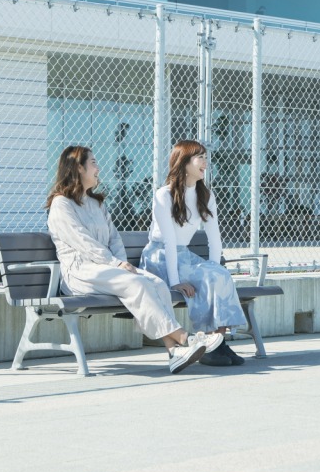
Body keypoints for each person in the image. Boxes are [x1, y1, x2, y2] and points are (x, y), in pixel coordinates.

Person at [45, 145, 219, 374]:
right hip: (80, 273)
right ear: (78, 168)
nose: (98, 168)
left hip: (107, 269)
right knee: (136, 284)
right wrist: (116, 264)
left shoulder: (96, 203)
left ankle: (174, 353)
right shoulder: (61, 204)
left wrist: (120, 262)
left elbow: (114, 238)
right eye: (93, 163)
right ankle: (185, 338)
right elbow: (82, 242)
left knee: (157, 283)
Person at [143, 140, 247, 366]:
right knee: (209, 277)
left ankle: (217, 342)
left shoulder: (206, 196)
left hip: (183, 256)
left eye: (206, 157)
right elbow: (169, 241)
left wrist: (215, 268)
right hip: (159, 257)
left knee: (219, 275)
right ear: (183, 162)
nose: (205, 162)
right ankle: (210, 346)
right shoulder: (164, 195)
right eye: (200, 157)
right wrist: (175, 282)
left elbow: (214, 238)